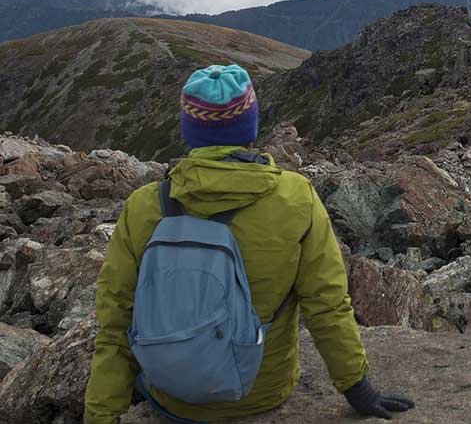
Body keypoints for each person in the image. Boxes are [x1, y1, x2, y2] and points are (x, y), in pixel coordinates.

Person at [84, 63, 414, 423]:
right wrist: (357, 388)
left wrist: (101, 416)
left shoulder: (143, 206)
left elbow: (116, 321)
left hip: (173, 397)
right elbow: (326, 304)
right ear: (250, 127)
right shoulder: (295, 197)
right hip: (260, 393)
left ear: (189, 131)